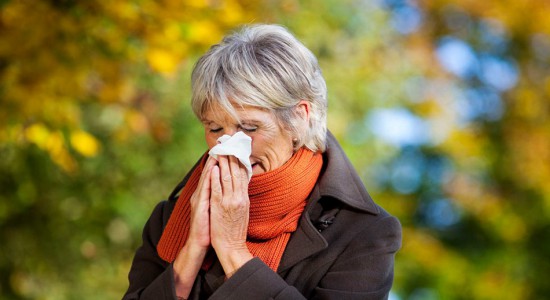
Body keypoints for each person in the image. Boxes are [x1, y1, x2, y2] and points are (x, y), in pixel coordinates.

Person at [123, 24, 401, 300]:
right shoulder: (173, 217)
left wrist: (232, 251)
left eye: (249, 128)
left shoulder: (363, 234)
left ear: (299, 118)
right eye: (215, 129)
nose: (229, 147)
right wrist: (192, 250)